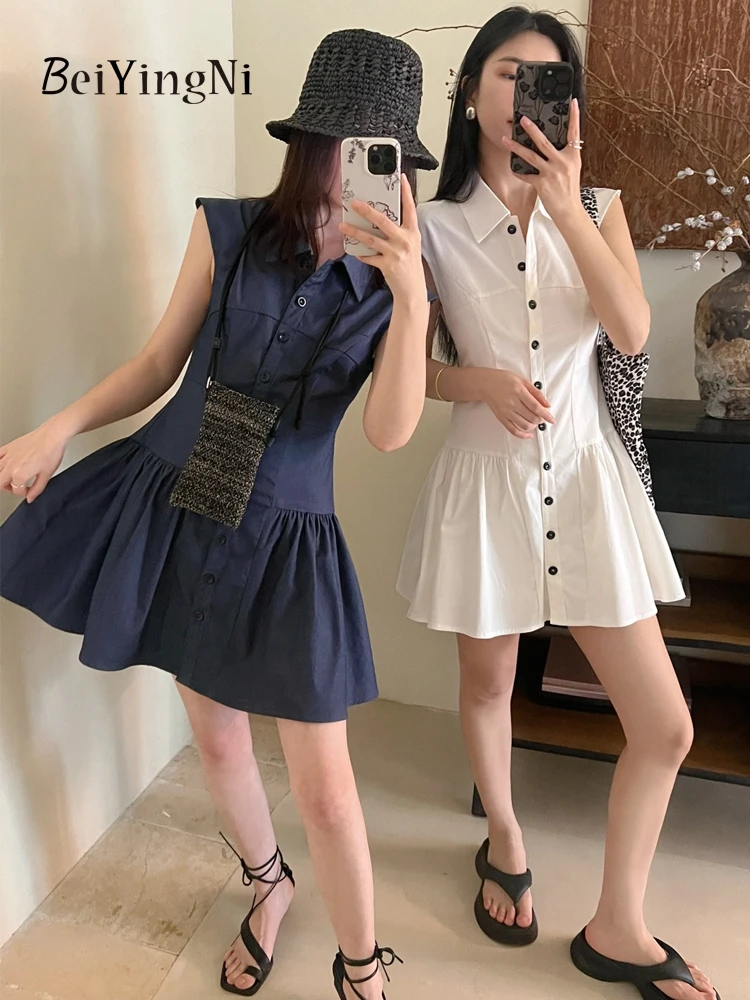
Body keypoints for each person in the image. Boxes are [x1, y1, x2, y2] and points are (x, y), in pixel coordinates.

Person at [0, 28, 437, 1000]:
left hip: (291, 533)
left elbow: (389, 433)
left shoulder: (399, 280)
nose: (362, 169)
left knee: (326, 789)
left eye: (384, 152)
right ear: (311, 140)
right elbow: (159, 365)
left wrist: (411, 300)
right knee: (219, 739)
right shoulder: (229, 230)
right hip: (186, 496)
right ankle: (268, 886)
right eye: (346, 144)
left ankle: (362, 969)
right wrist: (57, 429)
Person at [397, 9, 719, 1000]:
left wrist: (567, 207)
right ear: (469, 92)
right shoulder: (431, 224)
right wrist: (479, 383)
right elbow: (407, 373)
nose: (522, 94)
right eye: (506, 73)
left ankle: (618, 924)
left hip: (587, 484)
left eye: (545, 78)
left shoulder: (601, 204)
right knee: (489, 684)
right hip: (484, 484)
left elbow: (631, 329)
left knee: (664, 726)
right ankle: (505, 836)